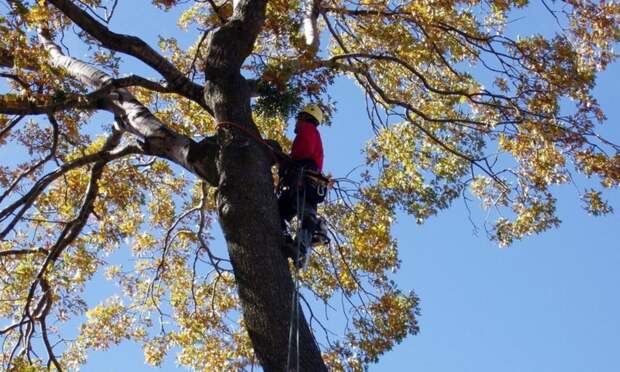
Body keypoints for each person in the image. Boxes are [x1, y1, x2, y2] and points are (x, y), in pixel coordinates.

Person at [278, 104, 329, 268]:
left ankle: (300, 244)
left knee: (298, 211)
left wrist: (286, 162)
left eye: (298, 118)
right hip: (306, 184)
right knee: (280, 212)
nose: (296, 122)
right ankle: (294, 245)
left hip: (301, 181)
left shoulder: (308, 129)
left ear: (305, 117)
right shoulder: (313, 134)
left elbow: (301, 153)